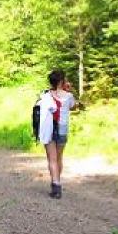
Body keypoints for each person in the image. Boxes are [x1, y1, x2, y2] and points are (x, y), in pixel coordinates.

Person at [37, 69, 75, 198]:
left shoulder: (45, 95)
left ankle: (56, 186)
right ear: (62, 81)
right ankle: (57, 181)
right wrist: (68, 90)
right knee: (59, 158)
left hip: (48, 129)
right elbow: (73, 106)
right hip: (62, 129)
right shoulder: (68, 96)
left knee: (52, 159)